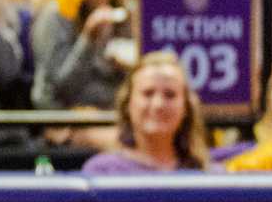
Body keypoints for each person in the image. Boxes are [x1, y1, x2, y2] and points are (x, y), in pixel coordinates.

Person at [31, 0, 138, 117]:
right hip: (66, 116)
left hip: (114, 113)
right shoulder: (56, 15)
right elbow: (60, 89)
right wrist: (89, 40)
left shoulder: (125, 13)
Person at [81, 49, 214, 173]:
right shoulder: (101, 171)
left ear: (186, 107)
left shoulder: (209, 174)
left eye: (170, 94)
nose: (158, 105)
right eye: (148, 93)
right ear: (128, 104)